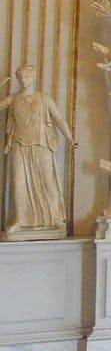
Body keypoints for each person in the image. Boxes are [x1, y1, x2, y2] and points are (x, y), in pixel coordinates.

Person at [0, 64, 76, 238]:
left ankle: (55, 219)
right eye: (20, 77)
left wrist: (70, 138)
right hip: (19, 145)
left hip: (41, 143)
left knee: (47, 180)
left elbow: (59, 119)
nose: (23, 80)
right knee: (17, 182)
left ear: (33, 77)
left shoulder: (44, 98)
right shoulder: (13, 99)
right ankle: (19, 220)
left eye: (26, 77)